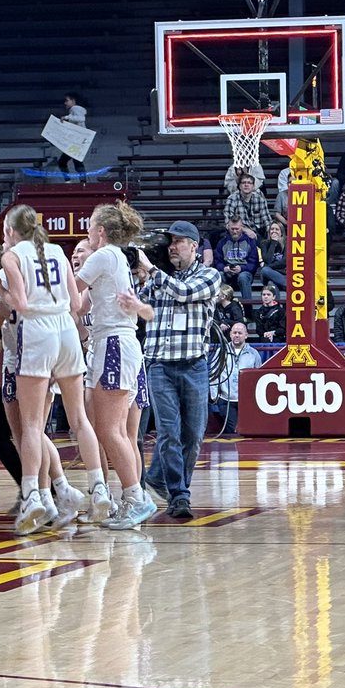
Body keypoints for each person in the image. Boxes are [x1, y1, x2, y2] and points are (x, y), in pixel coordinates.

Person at [0, 204, 101, 534]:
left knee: (30, 425)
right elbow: (76, 305)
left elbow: (21, 304)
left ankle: (32, 496)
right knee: (78, 418)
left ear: (11, 232)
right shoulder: (57, 250)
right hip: (66, 330)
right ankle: (98, 487)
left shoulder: (11, 257)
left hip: (38, 330)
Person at [75, 201, 159, 530]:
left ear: (101, 231)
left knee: (113, 432)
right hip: (109, 342)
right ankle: (126, 497)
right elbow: (78, 305)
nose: (87, 232)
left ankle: (136, 497)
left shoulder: (104, 255)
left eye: (90, 226)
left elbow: (71, 291)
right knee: (110, 430)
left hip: (114, 343)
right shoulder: (114, 259)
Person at [134, 220, 221, 520]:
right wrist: (142, 274)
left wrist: (154, 271)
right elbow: (137, 305)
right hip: (159, 363)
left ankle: (159, 478)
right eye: (169, 241)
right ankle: (180, 494)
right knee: (168, 432)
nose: (171, 246)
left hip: (194, 364)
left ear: (194, 246)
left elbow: (183, 292)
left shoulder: (210, 276)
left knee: (193, 435)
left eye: (178, 241)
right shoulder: (158, 278)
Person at [209, 321, 262, 434]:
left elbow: (259, 377)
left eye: (240, 333)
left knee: (248, 431)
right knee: (234, 431)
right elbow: (214, 374)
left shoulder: (254, 353)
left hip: (246, 400)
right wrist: (214, 396)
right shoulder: (221, 351)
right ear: (230, 334)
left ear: (246, 335)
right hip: (226, 399)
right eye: (234, 332)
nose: (237, 335)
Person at [214, 217, 259, 301]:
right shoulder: (222, 242)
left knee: (243, 277)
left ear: (242, 227)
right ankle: (220, 308)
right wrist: (224, 268)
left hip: (244, 271)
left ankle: (248, 310)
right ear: (228, 227)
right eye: (232, 229)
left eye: (237, 229)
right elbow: (217, 261)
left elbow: (254, 263)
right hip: (227, 271)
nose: (234, 231)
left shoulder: (250, 242)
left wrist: (241, 268)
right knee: (219, 275)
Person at [223, 173, 272, 241]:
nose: (246, 185)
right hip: (239, 233)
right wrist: (245, 230)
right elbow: (228, 223)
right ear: (239, 186)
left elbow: (267, 221)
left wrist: (270, 233)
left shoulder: (260, 199)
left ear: (253, 186)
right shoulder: (232, 199)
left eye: (249, 183)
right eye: (243, 183)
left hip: (258, 233)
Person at [56, 92, 88, 179]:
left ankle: (72, 181)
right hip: (77, 141)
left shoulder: (75, 108)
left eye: (67, 100)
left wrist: (66, 117)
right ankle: (82, 182)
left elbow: (81, 119)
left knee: (63, 162)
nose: (65, 103)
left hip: (76, 142)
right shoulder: (74, 110)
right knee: (75, 161)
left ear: (73, 101)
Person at [257, 220, 286, 289]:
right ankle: (288, 285)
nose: (274, 231)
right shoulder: (264, 243)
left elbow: (284, 262)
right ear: (269, 232)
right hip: (267, 274)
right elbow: (267, 260)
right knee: (265, 270)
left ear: (281, 233)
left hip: (281, 274)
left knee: (271, 284)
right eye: (272, 229)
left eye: (277, 229)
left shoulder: (287, 244)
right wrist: (273, 243)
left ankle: (273, 300)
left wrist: (268, 266)